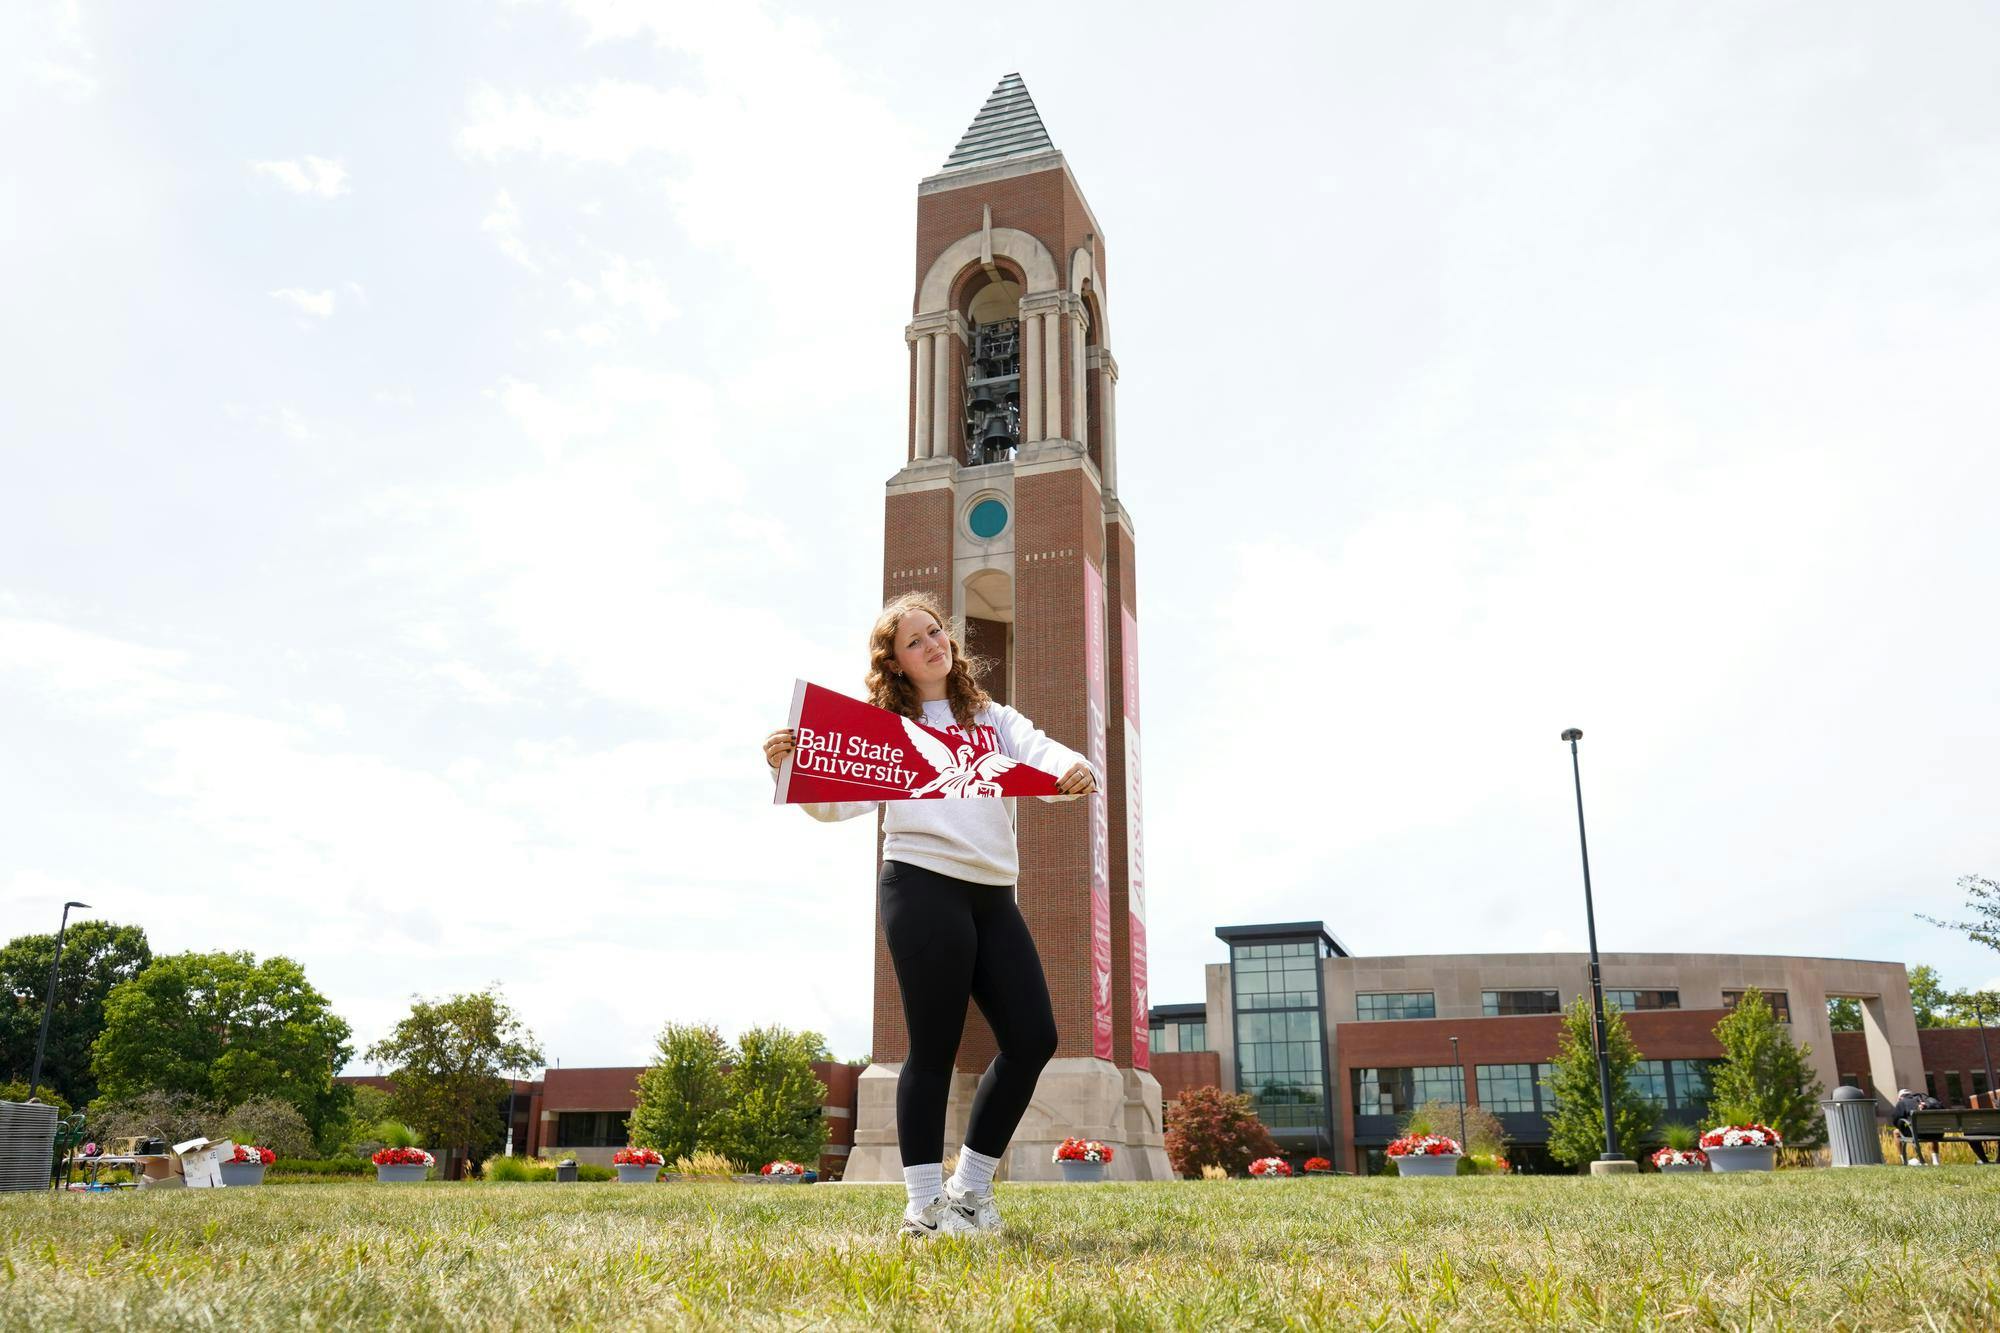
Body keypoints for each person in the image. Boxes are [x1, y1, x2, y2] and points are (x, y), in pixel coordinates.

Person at [762, 592, 1098, 1239]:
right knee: (934, 1046)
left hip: (993, 893)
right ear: (894, 662)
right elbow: (838, 805)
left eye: (936, 631)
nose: (933, 643)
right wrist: (792, 764)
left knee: (1034, 1037)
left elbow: (1039, 751)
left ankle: (970, 1191)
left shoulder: (991, 716)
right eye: (915, 640)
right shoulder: (885, 729)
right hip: (920, 887)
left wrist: (1069, 767)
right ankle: (923, 1206)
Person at [1891, 1087, 1944, 1165]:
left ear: (1900, 1098)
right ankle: (1936, 1161)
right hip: (1937, 1133)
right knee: (1932, 1126)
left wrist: (1903, 1124)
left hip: (1918, 1133)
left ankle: (1904, 1160)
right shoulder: (1929, 1100)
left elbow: (1895, 1121)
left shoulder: (1902, 1102)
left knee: (1896, 1132)